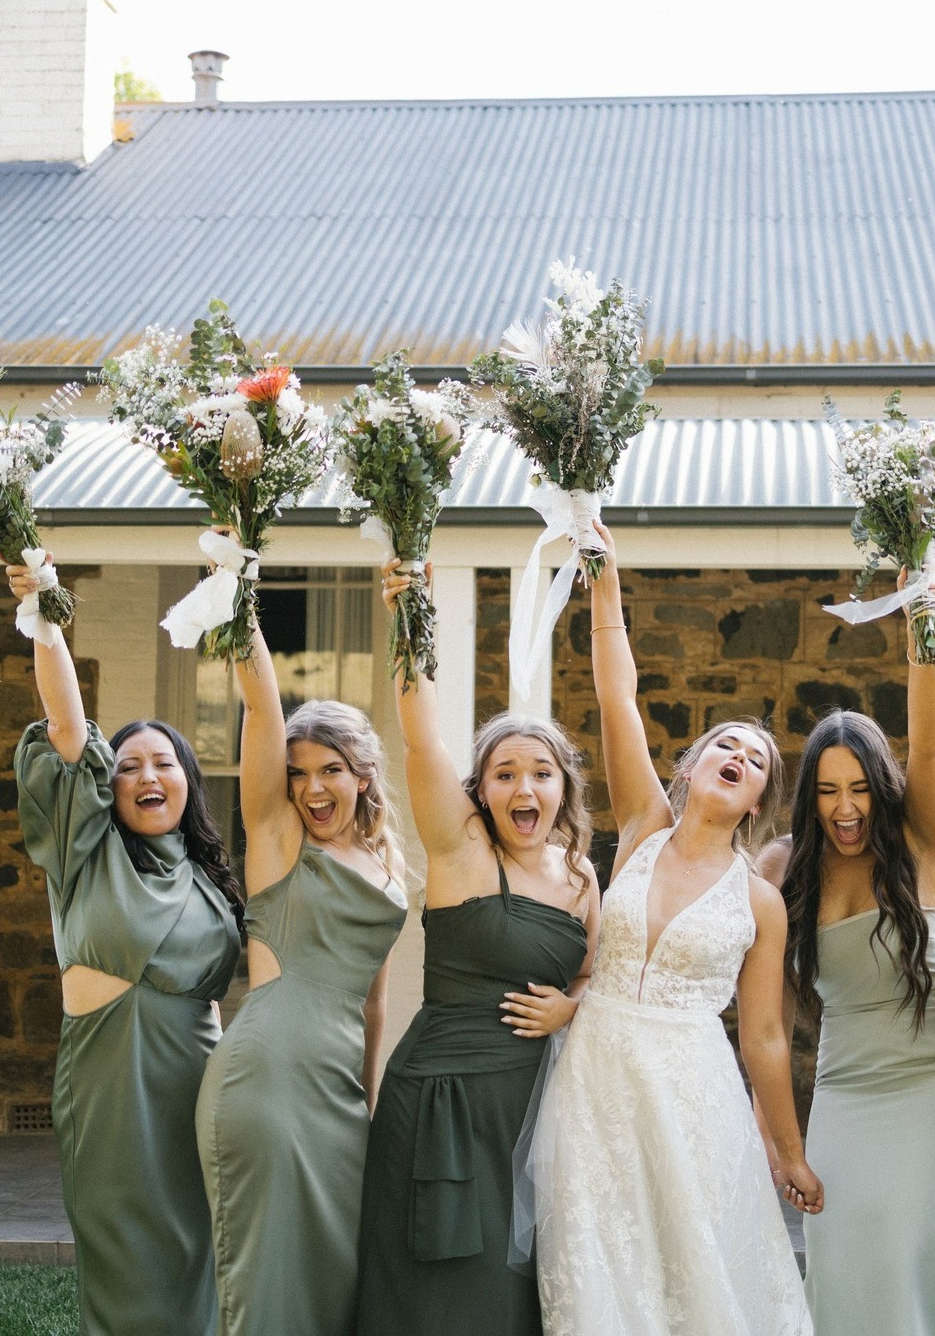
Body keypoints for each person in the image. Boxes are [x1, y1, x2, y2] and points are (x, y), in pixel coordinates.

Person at [529, 519, 819, 1336]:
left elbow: (763, 1036)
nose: (738, 754)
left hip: (693, 1091)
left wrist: (787, 1152)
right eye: (723, 743)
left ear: (758, 798)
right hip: (595, 1075)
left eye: (755, 757)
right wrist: (606, 583)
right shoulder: (643, 826)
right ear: (689, 769)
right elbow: (616, 696)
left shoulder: (757, 900)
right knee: (598, 1262)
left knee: (691, 1274)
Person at [355, 559, 598, 1336]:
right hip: (441, 1100)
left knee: (520, 1290)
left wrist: (573, 1005)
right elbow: (421, 735)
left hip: (536, 1106)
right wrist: (411, 612)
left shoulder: (582, 875)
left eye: (540, 773)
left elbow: (598, 977)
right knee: (439, 1287)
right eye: (503, 774)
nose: (523, 789)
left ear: (563, 786)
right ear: (480, 791)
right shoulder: (462, 853)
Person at [8, 552, 243, 1336]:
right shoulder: (85, 851)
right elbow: (70, 728)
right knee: (124, 1265)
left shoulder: (214, 881)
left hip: (197, 1087)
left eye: (164, 761)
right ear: (105, 786)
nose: (147, 774)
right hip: (110, 1089)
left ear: (186, 781)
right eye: (129, 765)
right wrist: (46, 611)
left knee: (201, 1262)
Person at [761, 582, 935, 1336]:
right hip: (846, 1086)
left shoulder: (915, 840)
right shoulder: (781, 868)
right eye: (826, 790)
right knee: (838, 1253)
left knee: (908, 1251)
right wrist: (783, 1143)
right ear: (808, 796)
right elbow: (763, 1019)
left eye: (859, 786)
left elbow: (929, 743)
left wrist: (923, 628)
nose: (845, 807)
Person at [195, 618, 407, 1336]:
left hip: (338, 1095)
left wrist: (367, 1100)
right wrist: (242, 588)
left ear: (362, 774)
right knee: (266, 1277)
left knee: (331, 1276)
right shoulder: (280, 839)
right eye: (298, 774)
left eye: (329, 770)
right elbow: (260, 702)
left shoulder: (387, 863)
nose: (312, 789)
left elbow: (375, 1001)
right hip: (267, 1074)